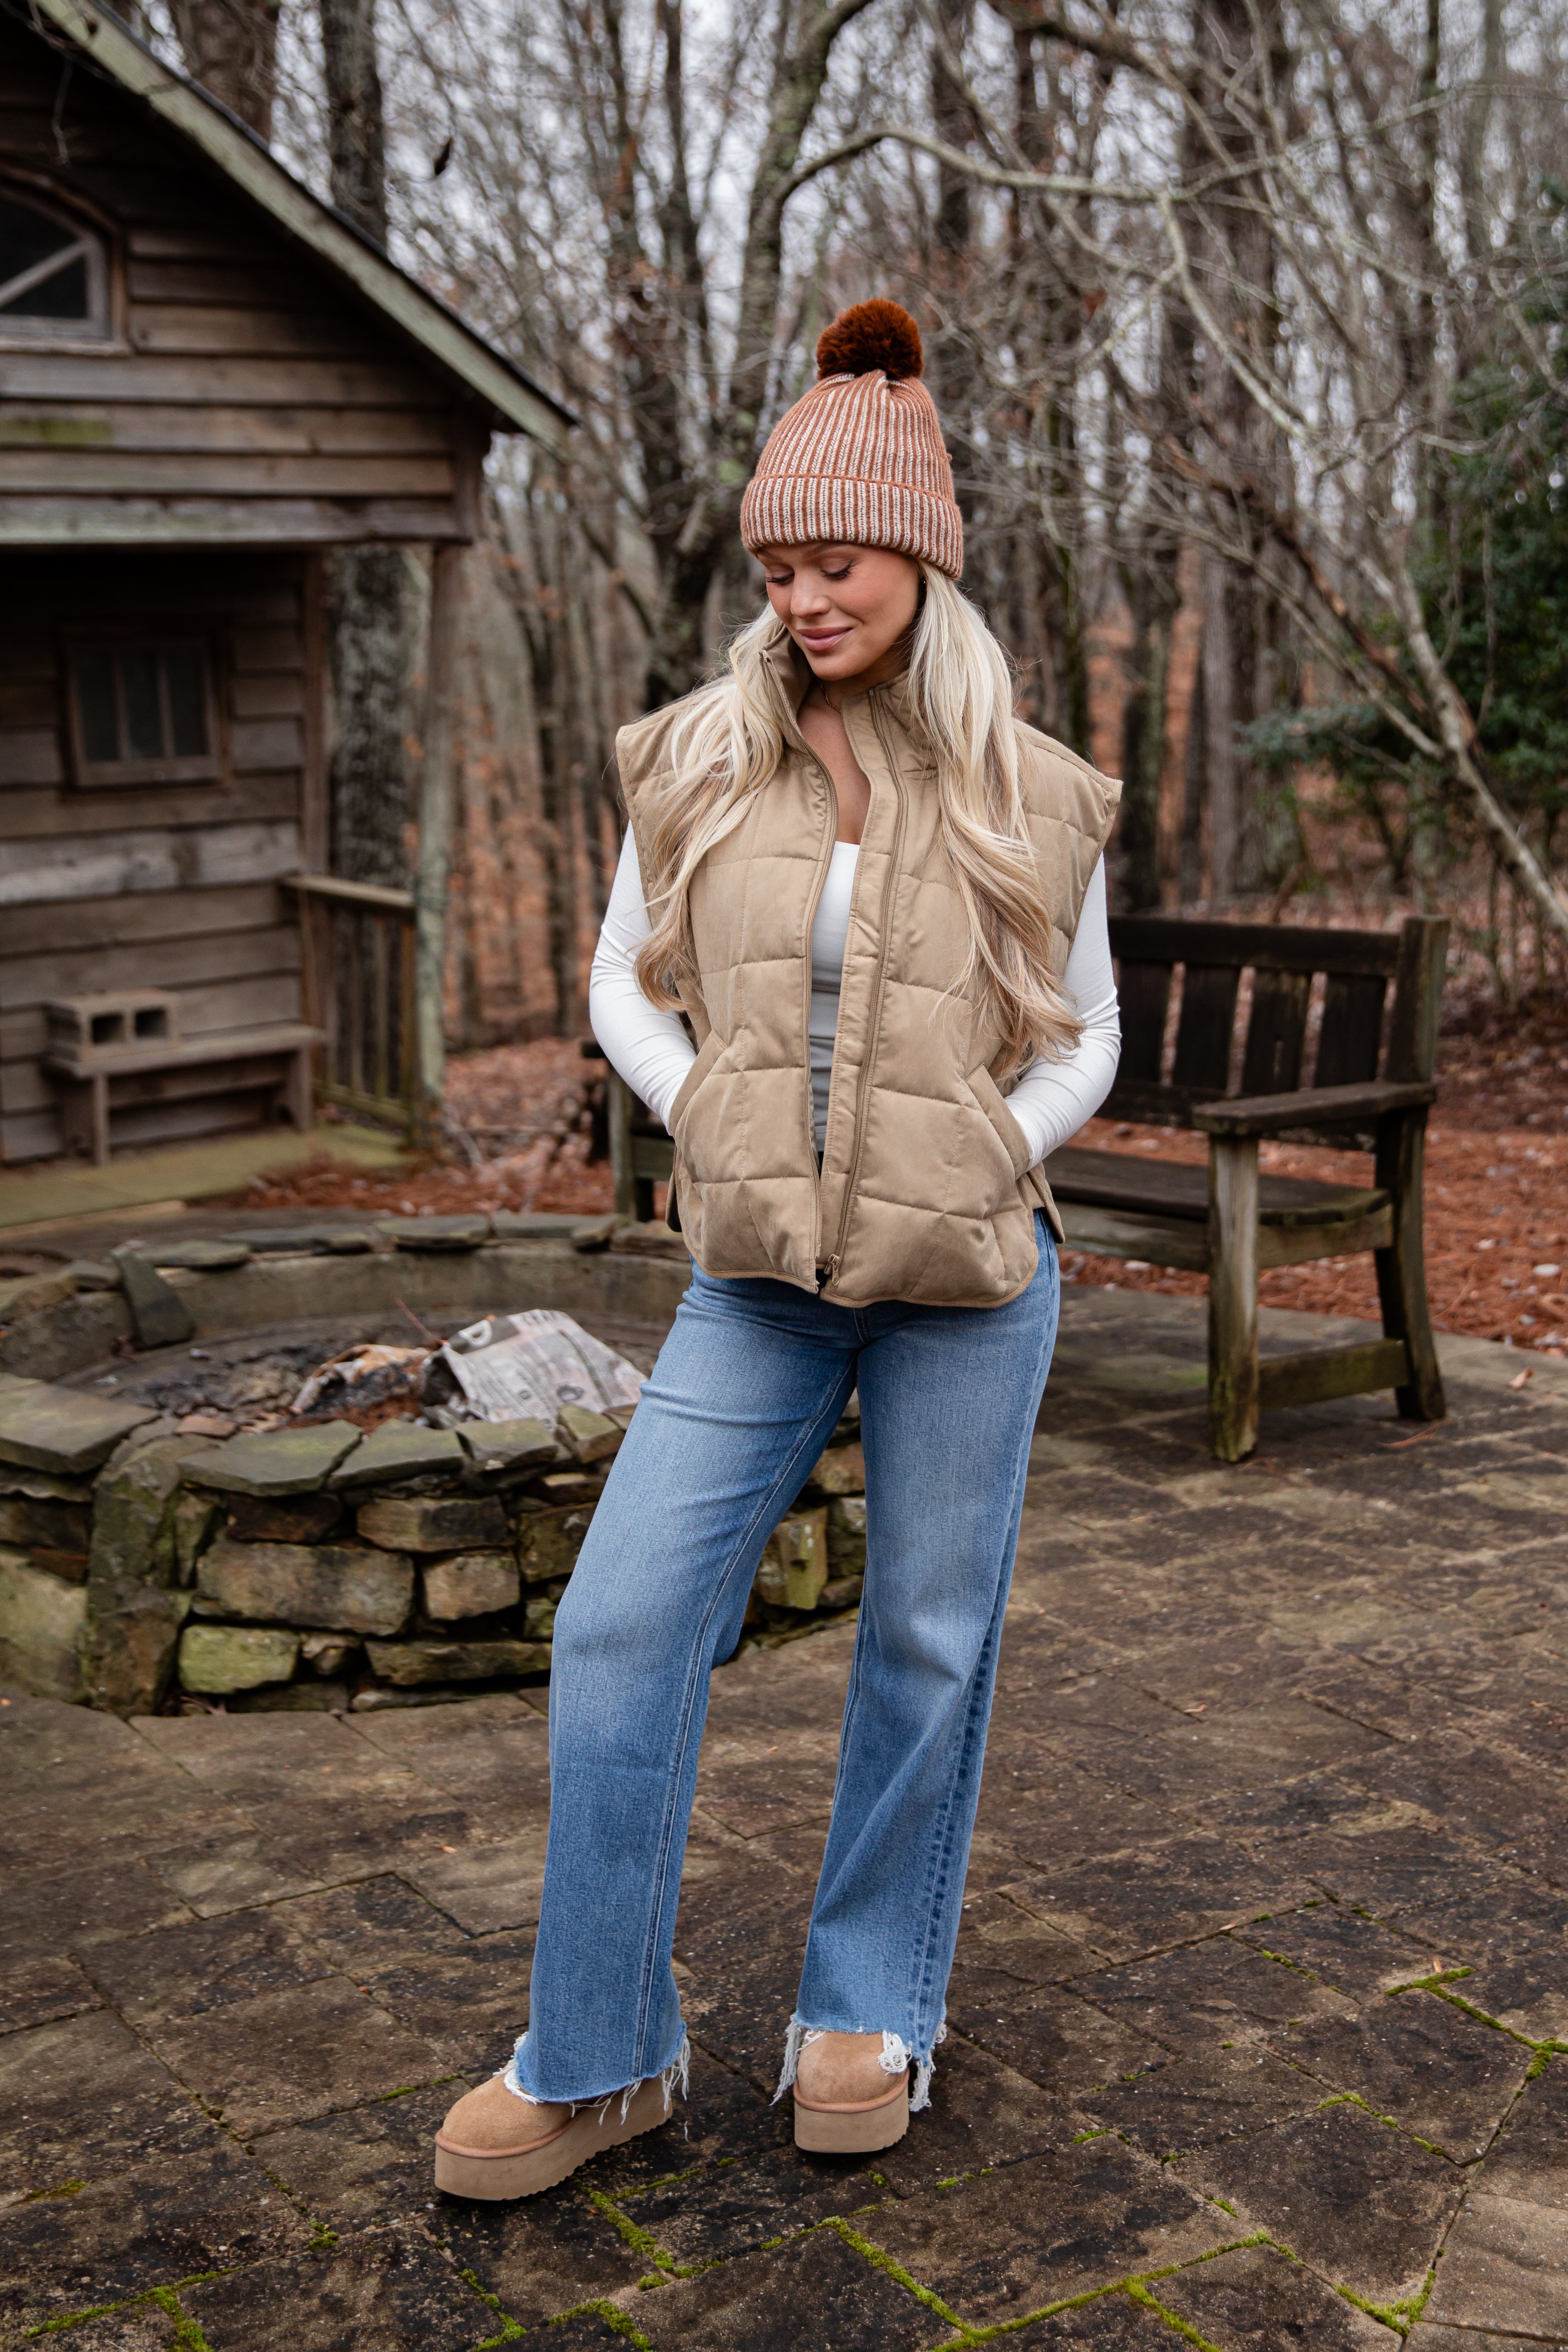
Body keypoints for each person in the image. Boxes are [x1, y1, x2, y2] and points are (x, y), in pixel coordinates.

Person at [434, 298, 1121, 2201]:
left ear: (917, 557)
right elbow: (614, 978)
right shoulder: (696, 757)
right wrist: (705, 1113)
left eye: (835, 563)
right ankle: (598, 2055)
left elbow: (1092, 1034)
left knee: (924, 1635)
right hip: (750, 1275)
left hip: (970, 1280)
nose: (802, 599)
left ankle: (864, 2011)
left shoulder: (1031, 787)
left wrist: (993, 1143)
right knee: (622, 1624)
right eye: (779, 568)